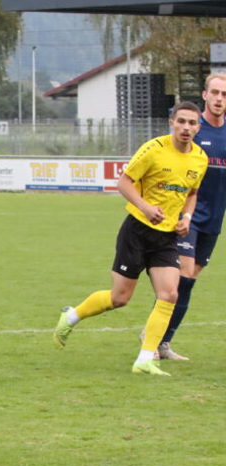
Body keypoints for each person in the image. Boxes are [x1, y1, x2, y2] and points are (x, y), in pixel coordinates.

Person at [54, 101, 208, 376]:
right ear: (171, 122)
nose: (186, 127)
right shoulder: (154, 149)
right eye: (181, 121)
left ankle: (145, 359)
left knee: (169, 294)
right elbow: (123, 182)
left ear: (198, 127)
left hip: (167, 237)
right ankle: (72, 316)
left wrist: (186, 218)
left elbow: (192, 193)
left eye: (192, 123)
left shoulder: (200, 158)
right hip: (136, 231)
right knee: (120, 298)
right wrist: (147, 208)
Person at [155, 73, 226, 360]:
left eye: (225, 94)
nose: (220, 99)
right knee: (182, 277)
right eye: (216, 93)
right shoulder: (196, 130)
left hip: (214, 220)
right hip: (188, 217)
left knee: (189, 281)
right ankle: (153, 338)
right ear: (205, 95)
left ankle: (162, 341)